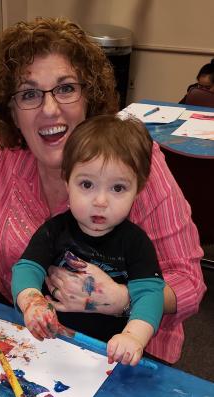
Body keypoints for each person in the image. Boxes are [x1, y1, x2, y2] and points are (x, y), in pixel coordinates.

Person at [0, 17, 206, 364]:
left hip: (118, 349)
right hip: (26, 331)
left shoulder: (131, 163)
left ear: (88, 96)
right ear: (12, 111)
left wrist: (122, 299)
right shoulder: (4, 153)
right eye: (29, 94)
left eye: (66, 88)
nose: (50, 108)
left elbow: (189, 282)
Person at [11, 114, 164, 366]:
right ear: (67, 181)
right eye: (86, 184)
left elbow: (150, 294)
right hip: (54, 343)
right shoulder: (54, 230)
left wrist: (133, 337)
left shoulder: (136, 242)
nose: (100, 201)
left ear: (139, 189)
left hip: (108, 354)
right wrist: (31, 301)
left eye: (117, 188)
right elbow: (27, 268)